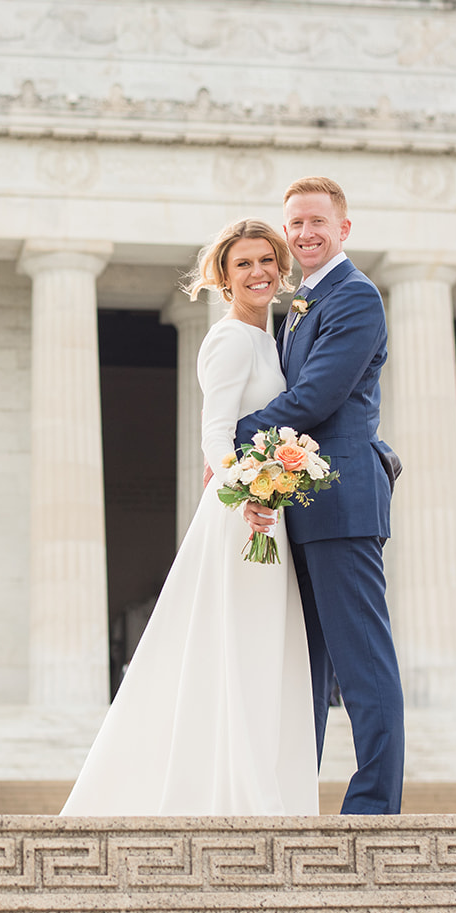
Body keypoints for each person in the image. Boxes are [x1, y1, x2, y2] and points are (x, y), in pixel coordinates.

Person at [61, 218, 318, 816]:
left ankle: (252, 789)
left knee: (258, 648)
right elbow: (215, 434)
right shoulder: (229, 339)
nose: (257, 273)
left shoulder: (268, 338)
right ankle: (236, 795)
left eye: (265, 261)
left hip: (267, 507)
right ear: (224, 279)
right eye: (242, 265)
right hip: (245, 515)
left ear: (280, 269)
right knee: (238, 646)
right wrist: (249, 490)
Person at [235, 176, 405, 815]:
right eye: (295, 224)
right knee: (302, 666)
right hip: (301, 502)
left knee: (362, 663)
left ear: (343, 230)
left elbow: (317, 399)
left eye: (316, 222)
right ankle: (295, 801)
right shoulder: (301, 300)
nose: (304, 234)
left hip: (341, 503)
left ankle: (373, 809)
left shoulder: (355, 297)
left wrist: (231, 440)